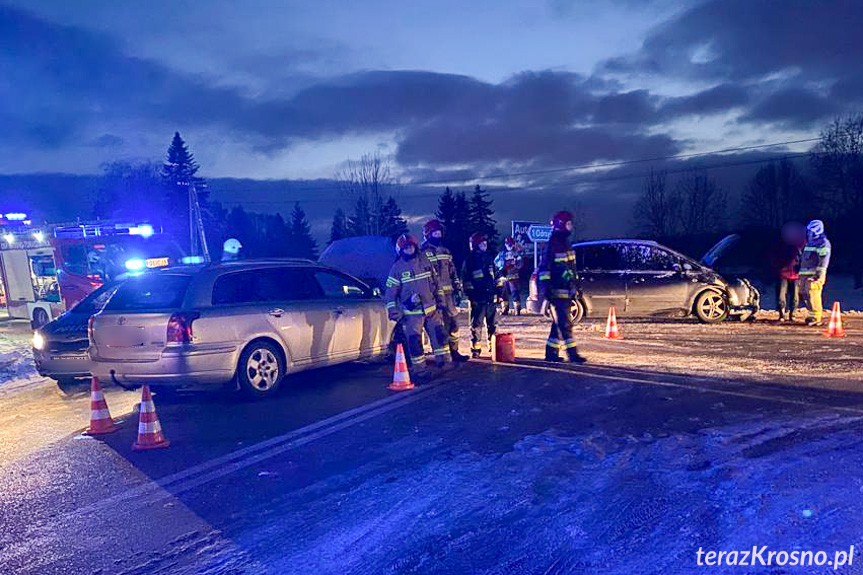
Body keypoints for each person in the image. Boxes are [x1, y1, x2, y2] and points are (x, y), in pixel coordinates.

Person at [385, 233, 451, 375]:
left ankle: (444, 362)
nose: (409, 250)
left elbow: (436, 282)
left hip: (432, 310)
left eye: (411, 247)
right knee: (414, 342)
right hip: (412, 314)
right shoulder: (397, 268)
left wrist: (441, 302)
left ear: (416, 247)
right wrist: (395, 312)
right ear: (401, 250)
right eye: (406, 248)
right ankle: (420, 370)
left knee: (439, 336)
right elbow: (390, 294)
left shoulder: (425, 262)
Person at [537, 211, 586, 363]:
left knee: (559, 323)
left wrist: (576, 286)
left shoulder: (565, 243)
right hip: (557, 291)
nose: (571, 226)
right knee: (565, 324)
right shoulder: (553, 245)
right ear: (561, 225)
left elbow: (570, 268)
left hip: (566, 289)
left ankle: (551, 353)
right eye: (568, 223)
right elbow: (544, 270)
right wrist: (547, 290)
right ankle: (572, 354)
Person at [421, 220, 469, 362]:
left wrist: (458, 289)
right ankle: (442, 356)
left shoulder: (445, 251)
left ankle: (454, 351)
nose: (438, 235)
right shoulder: (422, 253)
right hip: (433, 297)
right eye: (435, 233)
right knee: (437, 328)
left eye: (439, 233)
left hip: (448, 297)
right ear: (428, 234)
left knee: (454, 325)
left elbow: (452, 272)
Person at [462, 232, 497, 358]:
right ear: (476, 245)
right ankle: (475, 349)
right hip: (478, 298)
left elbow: (495, 276)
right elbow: (466, 280)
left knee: (493, 324)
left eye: (485, 243)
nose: (485, 245)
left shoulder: (488, 258)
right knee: (477, 324)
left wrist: (498, 291)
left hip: (490, 296)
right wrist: (472, 295)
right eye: (482, 243)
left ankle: (493, 346)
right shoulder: (470, 260)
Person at [771, 222, 805, 323]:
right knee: (782, 295)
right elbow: (774, 258)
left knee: (794, 296)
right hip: (783, 273)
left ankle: (792, 314)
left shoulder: (799, 245)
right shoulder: (781, 245)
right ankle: (782, 314)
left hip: (795, 275)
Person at [800, 219, 832, 326]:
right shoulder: (809, 242)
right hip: (805, 273)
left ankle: (816, 317)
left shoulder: (823, 243)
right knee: (805, 293)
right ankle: (811, 314)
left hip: (814, 273)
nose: (809, 232)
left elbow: (824, 259)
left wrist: (819, 273)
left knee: (813, 293)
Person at [496, 237, 524, 315]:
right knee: (503, 293)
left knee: (515, 293)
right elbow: (496, 262)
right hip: (504, 277)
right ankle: (505, 309)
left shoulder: (516, 253)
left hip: (514, 276)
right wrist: (502, 266)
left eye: (511, 244)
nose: (510, 246)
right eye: (508, 244)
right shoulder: (502, 253)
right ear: (505, 244)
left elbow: (521, 263)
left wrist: (515, 264)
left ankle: (517, 310)